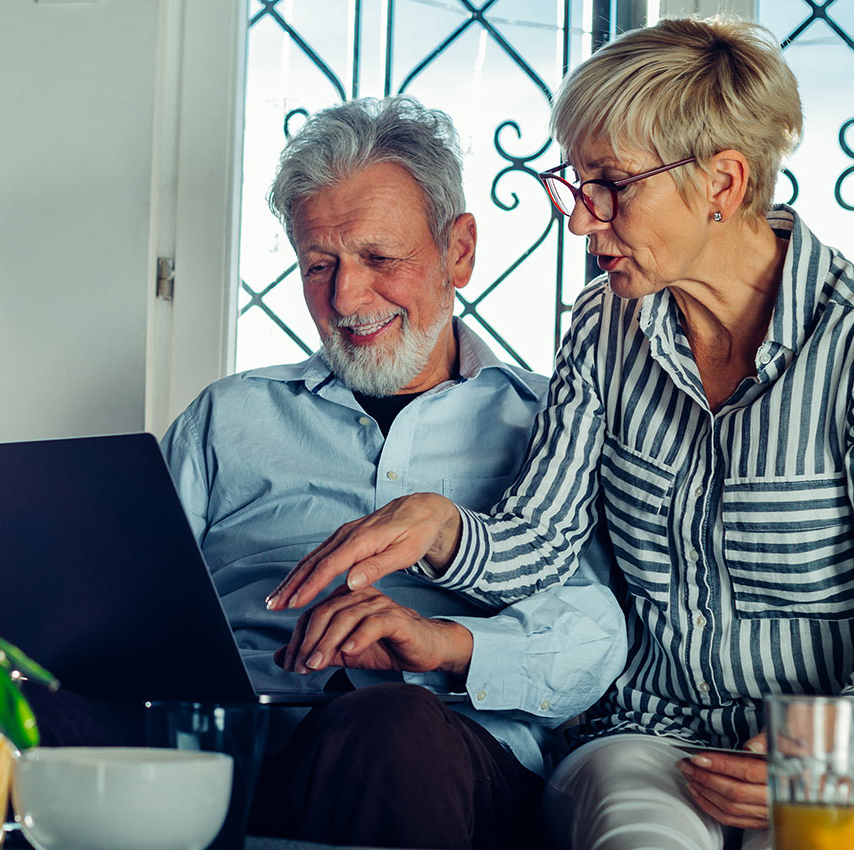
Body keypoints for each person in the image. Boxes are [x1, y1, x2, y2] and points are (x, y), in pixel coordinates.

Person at [267, 18, 854, 850]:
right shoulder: (603, 325)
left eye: (610, 184)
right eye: (574, 184)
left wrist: (811, 761)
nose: (581, 221)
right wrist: (440, 526)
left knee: (818, 842)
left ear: (721, 182)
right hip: (653, 734)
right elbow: (537, 541)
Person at [157, 95, 627, 850]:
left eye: (379, 258)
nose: (345, 297)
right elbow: (135, 601)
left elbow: (598, 636)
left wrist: (440, 641)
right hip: (229, 738)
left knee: (389, 724)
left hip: (439, 749)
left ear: (458, 251)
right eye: (319, 265)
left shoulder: (549, 420)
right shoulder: (226, 417)